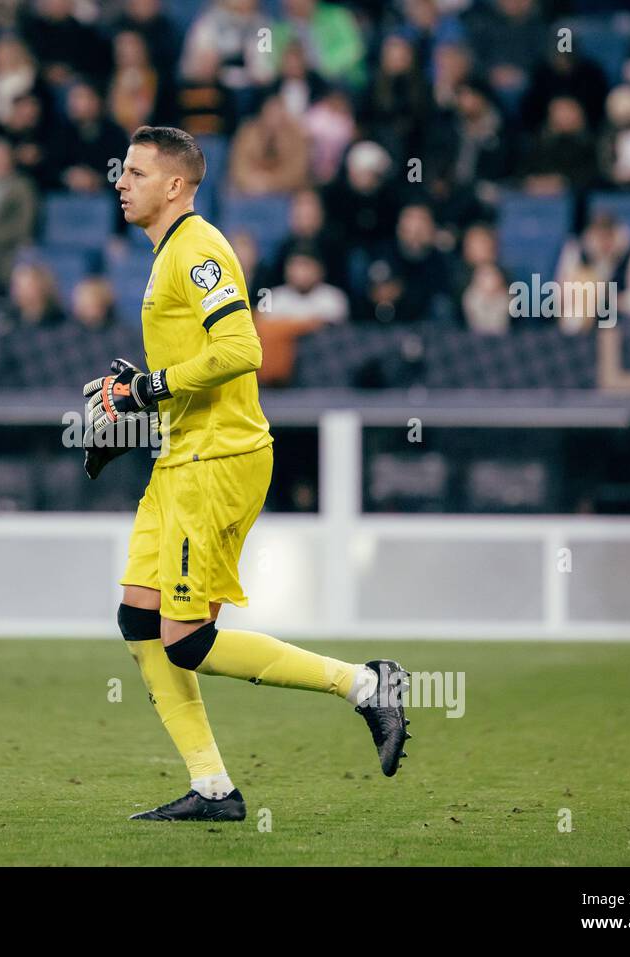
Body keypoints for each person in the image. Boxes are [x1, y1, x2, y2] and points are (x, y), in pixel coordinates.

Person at [87, 125, 410, 823]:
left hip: (218, 460)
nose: (122, 181)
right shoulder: (169, 251)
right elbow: (189, 375)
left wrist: (148, 389)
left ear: (176, 185)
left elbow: (239, 347)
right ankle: (212, 789)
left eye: (137, 172)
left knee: (188, 640)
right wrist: (145, 413)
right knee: (138, 619)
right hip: (182, 457)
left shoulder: (198, 249)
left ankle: (363, 683)